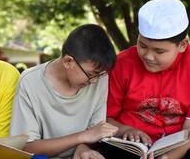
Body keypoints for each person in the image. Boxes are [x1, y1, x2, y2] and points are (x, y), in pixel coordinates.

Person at [106, 0, 190, 159]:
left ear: (183, 45)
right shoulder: (121, 64)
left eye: (159, 51)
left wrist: (169, 157)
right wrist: (125, 130)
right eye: (142, 46)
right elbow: (105, 118)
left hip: (180, 145)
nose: (148, 56)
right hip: (129, 145)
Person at [10, 24, 119, 158]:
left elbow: (95, 133)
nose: (95, 81)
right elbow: (27, 147)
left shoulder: (100, 78)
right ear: (68, 61)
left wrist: (83, 148)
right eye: (91, 74)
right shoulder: (29, 82)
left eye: (100, 75)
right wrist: (82, 137)